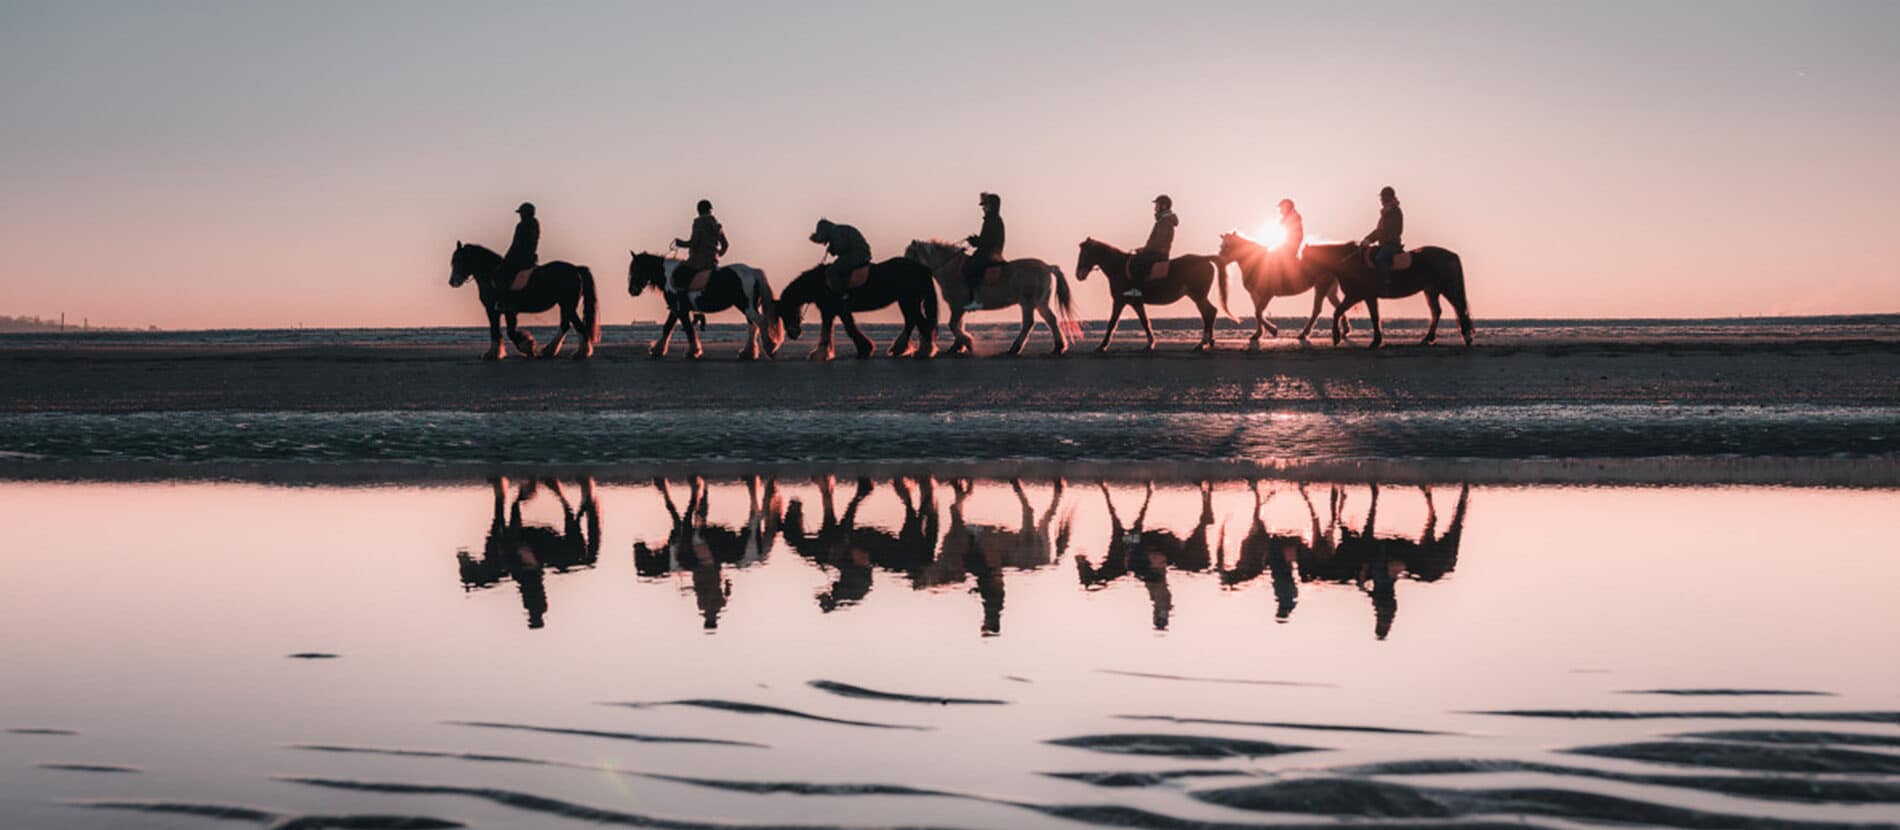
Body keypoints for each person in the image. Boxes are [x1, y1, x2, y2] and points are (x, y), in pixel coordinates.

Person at [1120, 195, 1177, 299]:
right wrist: (1144, 249)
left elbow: (1159, 241)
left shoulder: (1164, 222)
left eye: (1157, 205)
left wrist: (1144, 250)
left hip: (1158, 253)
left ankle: (1137, 290)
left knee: (1137, 261)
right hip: (1156, 251)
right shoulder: (1163, 221)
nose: (1155, 208)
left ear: (1163, 206)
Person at [671, 199, 729, 291]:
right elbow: (725, 245)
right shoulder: (717, 226)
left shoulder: (699, 222)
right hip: (713, 262)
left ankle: (683, 300)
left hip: (698, 261)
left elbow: (694, 243)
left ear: (699, 210)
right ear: (711, 210)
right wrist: (717, 255)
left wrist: (680, 243)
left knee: (679, 274)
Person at [962, 192, 1005, 311]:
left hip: (990, 253)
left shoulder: (992, 220)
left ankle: (976, 300)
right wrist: (976, 240)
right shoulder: (992, 219)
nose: (983, 208)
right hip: (989, 250)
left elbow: (987, 240)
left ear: (991, 206)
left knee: (969, 268)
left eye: (985, 205)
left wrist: (975, 241)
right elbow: (985, 239)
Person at [810, 219, 872, 296]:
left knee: (831, 271)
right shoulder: (838, 229)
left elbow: (841, 248)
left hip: (857, 254)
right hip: (861, 253)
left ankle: (842, 294)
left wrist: (832, 249)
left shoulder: (835, 232)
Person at [1360, 186, 1404, 292]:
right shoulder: (1386, 212)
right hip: (1384, 243)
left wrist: (1371, 239)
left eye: (1383, 198)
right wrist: (1367, 239)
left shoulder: (1394, 211)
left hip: (1392, 244)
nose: (1381, 200)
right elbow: (1379, 230)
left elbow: (1388, 230)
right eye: (1381, 198)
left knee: (1380, 258)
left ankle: (1387, 284)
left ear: (1388, 197)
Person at [501, 202, 539, 288]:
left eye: (522, 213)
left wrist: (507, 257)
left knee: (503, 275)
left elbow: (516, 244)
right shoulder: (535, 223)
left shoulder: (522, 225)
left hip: (520, 257)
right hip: (531, 256)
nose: (520, 215)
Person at [1275, 198, 1304, 278]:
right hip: (1286, 244)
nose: (1280, 211)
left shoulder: (1293, 217)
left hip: (1290, 245)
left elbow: (1294, 234)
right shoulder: (1286, 218)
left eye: (1281, 208)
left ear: (1287, 207)